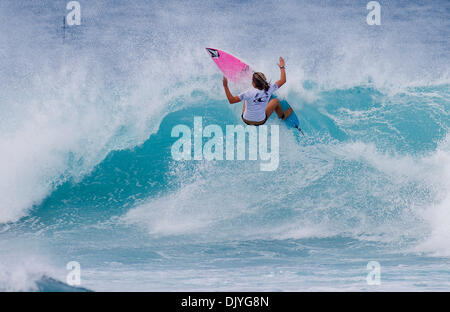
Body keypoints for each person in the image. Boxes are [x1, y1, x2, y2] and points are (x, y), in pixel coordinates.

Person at [222, 57, 292, 126]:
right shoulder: (270, 88)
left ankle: (280, 115)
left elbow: (231, 100)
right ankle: (282, 116)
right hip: (260, 121)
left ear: (254, 84)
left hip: (246, 120)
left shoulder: (248, 93)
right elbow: (283, 80)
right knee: (275, 101)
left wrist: (225, 86)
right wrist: (282, 66)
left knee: (246, 99)